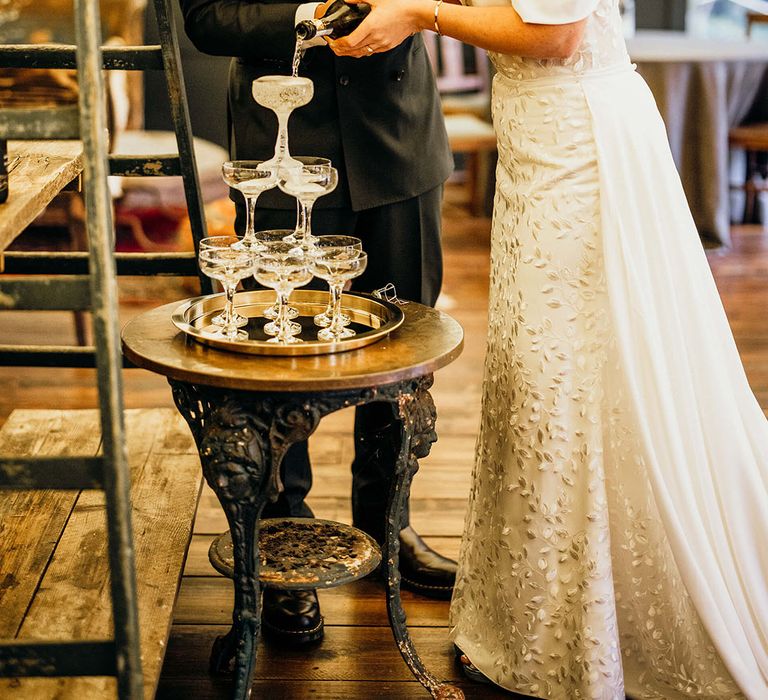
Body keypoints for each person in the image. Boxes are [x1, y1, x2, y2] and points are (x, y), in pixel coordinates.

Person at [330, 0, 768, 697]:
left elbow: (560, 35)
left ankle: (585, 627)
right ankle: (537, 616)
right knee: (536, 370)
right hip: (540, 138)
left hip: (578, 146)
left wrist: (420, 15)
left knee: (565, 375)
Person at [179, 0, 459, 649]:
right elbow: (206, 16)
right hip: (284, 154)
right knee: (278, 357)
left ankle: (391, 525)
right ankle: (281, 542)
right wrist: (311, 12)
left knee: (404, 348)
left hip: (401, 140)